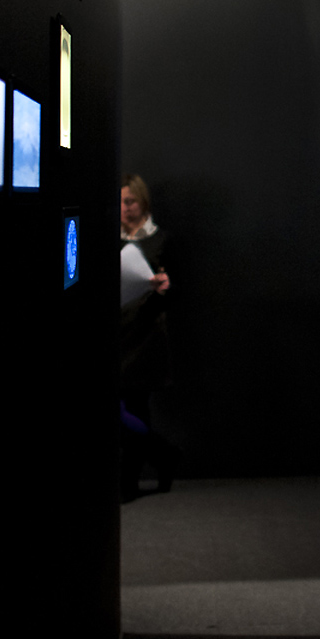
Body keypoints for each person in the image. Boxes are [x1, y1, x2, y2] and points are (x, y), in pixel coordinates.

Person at [119, 173, 180, 501]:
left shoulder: (161, 240)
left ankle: (129, 482)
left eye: (130, 201)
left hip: (145, 338)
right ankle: (164, 455)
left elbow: (176, 289)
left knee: (137, 407)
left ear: (143, 203)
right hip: (118, 334)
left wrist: (163, 287)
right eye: (120, 202)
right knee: (124, 413)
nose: (124, 208)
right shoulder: (111, 238)